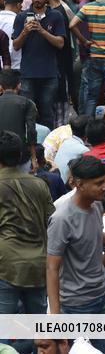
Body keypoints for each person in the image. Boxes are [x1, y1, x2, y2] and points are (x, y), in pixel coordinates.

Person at [46, 156, 105, 354]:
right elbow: (52, 267)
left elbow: (93, 235)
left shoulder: (97, 206)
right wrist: (55, 314)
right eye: (99, 183)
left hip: (101, 298)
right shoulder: (61, 219)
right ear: (79, 183)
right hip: (75, 306)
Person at [0, 131, 54, 340]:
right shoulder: (39, 184)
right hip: (37, 265)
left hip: (6, 265)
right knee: (39, 330)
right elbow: (52, 222)